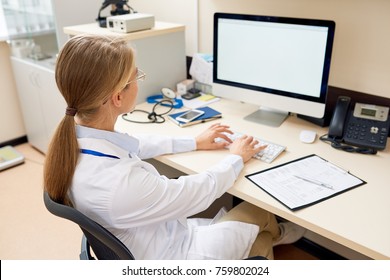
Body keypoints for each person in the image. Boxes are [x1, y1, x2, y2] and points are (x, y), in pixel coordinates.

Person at [44, 34, 305, 260]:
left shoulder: (77, 142)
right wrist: (236, 157)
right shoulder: (119, 184)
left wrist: (194, 142)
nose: (140, 80)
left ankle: (275, 234)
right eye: (137, 75)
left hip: (155, 238)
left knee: (258, 223)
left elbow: (135, 144)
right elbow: (194, 192)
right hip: (176, 257)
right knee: (260, 218)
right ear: (118, 97)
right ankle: (273, 237)